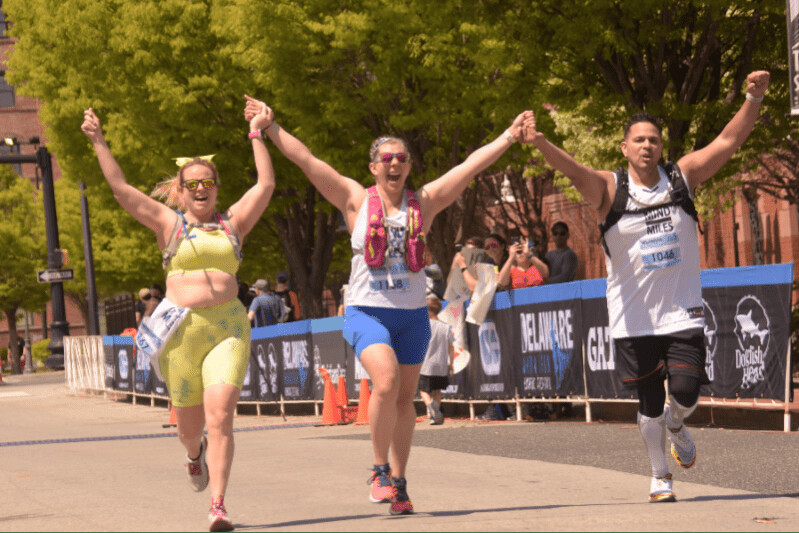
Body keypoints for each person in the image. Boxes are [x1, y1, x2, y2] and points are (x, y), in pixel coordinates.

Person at [246, 94, 534, 515]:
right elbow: (307, 160)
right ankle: (379, 470)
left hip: (412, 316)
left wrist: (509, 135)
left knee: (404, 400)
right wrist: (270, 126)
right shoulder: (355, 199)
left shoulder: (425, 202)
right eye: (386, 159)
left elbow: (470, 166)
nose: (394, 165)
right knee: (384, 382)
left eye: (401, 158)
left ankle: (399, 483)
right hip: (367, 311)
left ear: (409, 165)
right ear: (373, 167)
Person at [526, 71, 770, 502]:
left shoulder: (682, 177)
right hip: (633, 317)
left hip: (681, 311)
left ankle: (678, 423)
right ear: (624, 148)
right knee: (650, 401)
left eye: (653, 140)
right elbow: (574, 170)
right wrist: (541, 142)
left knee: (685, 393)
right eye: (638, 140)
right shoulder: (610, 189)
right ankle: (660, 475)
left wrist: (753, 98)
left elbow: (727, 142)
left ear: (661, 147)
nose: (646, 145)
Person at [81, 97, 277, 532]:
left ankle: (218, 505)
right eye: (192, 184)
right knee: (190, 428)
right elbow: (121, 189)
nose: (201, 189)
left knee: (220, 415)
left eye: (208, 182)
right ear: (181, 190)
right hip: (181, 336)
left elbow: (265, 185)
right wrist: (98, 141)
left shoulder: (233, 224)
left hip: (228, 328)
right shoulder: (169, 224)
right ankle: (194, 454)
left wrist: (257, 134)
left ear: (217, 187)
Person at [418, 295, 453, 425]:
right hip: (441, 365)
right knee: (437, 391)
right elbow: (451, 347)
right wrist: (451, 364)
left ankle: (431, 406)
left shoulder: (423, 326)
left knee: (423, 390)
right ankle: (435, 414)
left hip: (426, 365)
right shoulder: (446, 327)